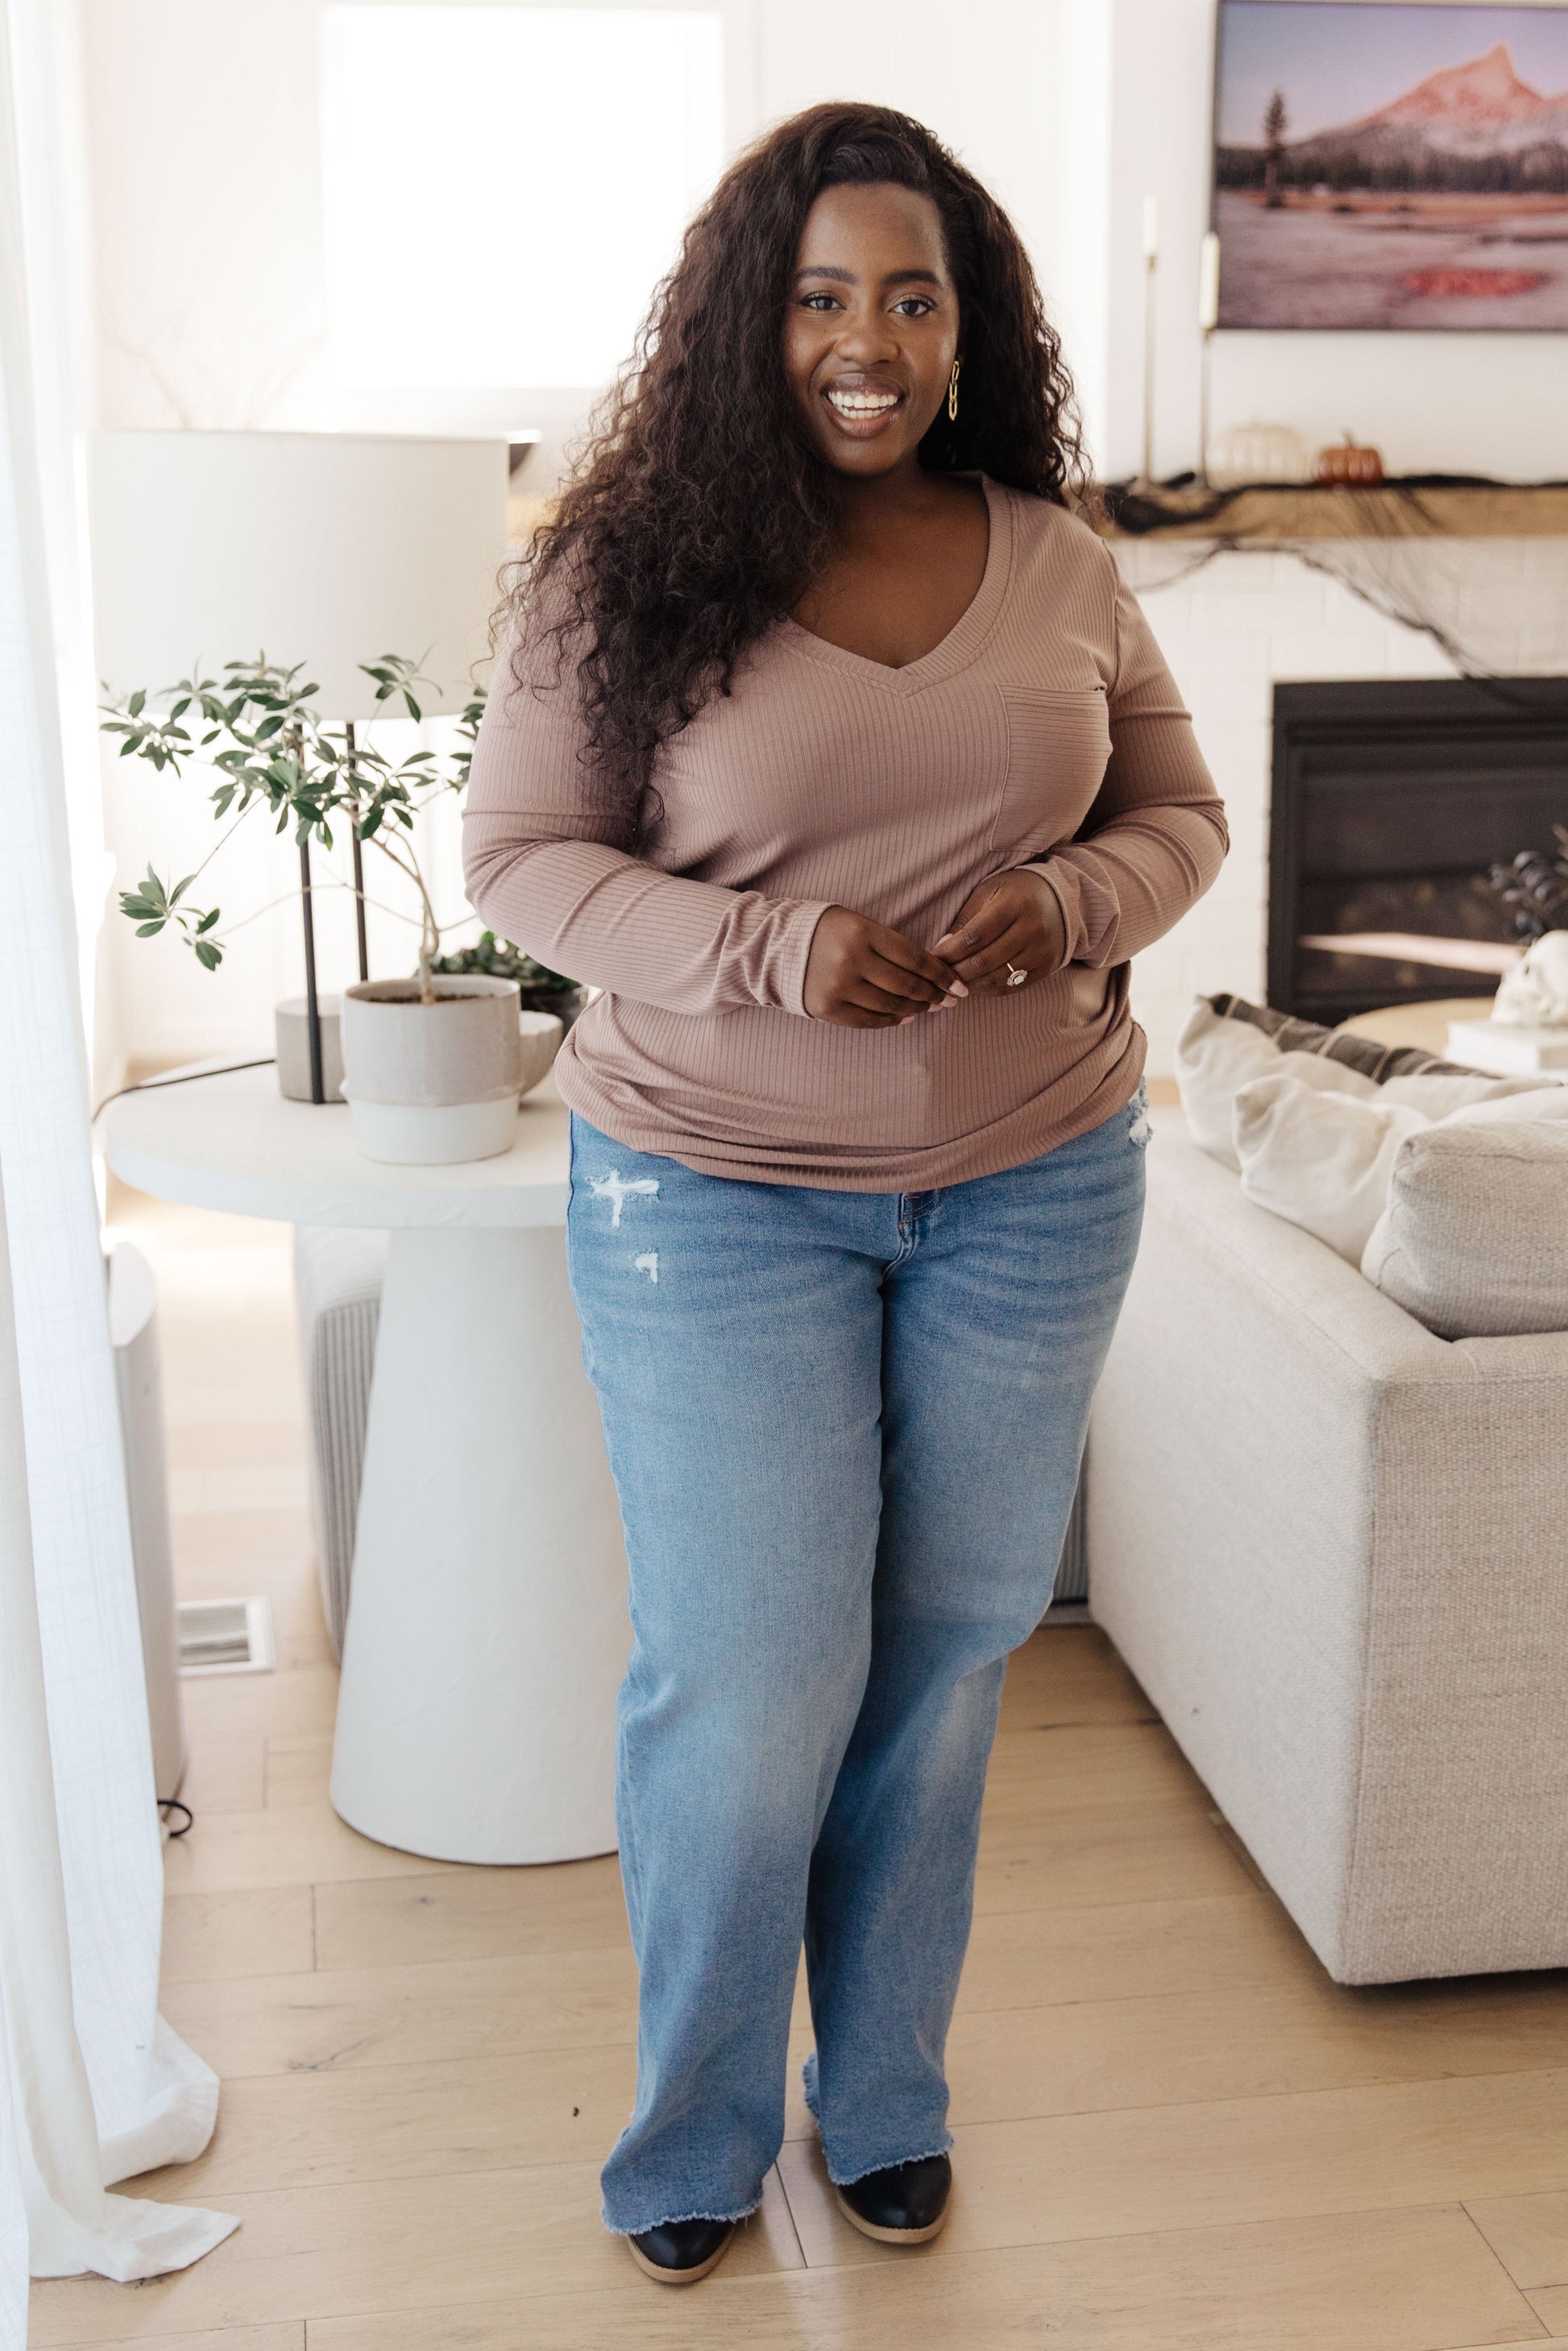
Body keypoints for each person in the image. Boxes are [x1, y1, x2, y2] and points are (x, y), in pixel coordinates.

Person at [464, 100, 1226, 2287]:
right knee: (747, 1675)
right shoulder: (617, 569)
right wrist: (772, 949)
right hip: (712, 1194)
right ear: (750, 321)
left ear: (968, 327)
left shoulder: (1058, 560)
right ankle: (696, 2131)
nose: (866, 342)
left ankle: (882, 2094)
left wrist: (1073, 898)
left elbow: (1181, 816)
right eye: (819, 298)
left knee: (951, 1656)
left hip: (1034, 1183)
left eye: (910, 297)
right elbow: (520, 861)